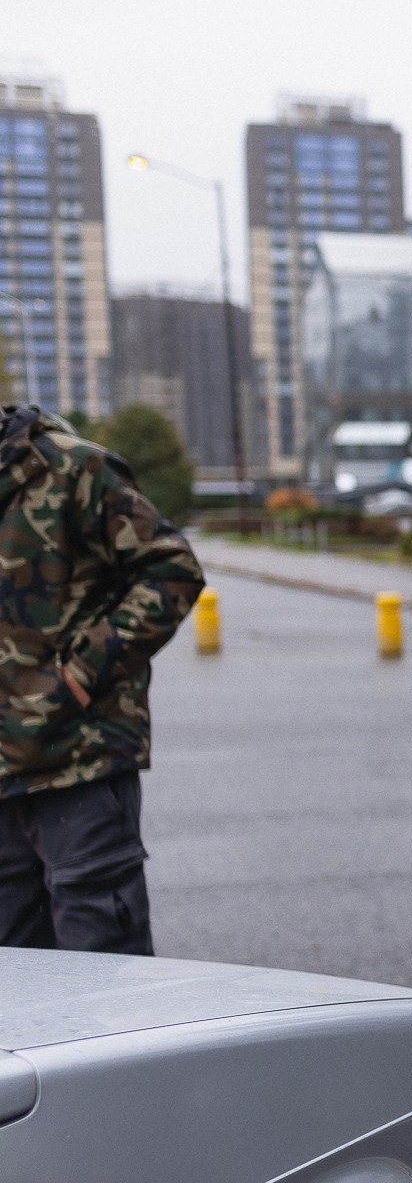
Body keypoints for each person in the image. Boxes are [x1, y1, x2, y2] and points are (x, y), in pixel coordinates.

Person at [1, 403, 203, 955]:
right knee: (17, 1000)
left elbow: (172, 571)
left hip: (78, 766)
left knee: (104, 992)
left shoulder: (73, 470)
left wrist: (78, 678)